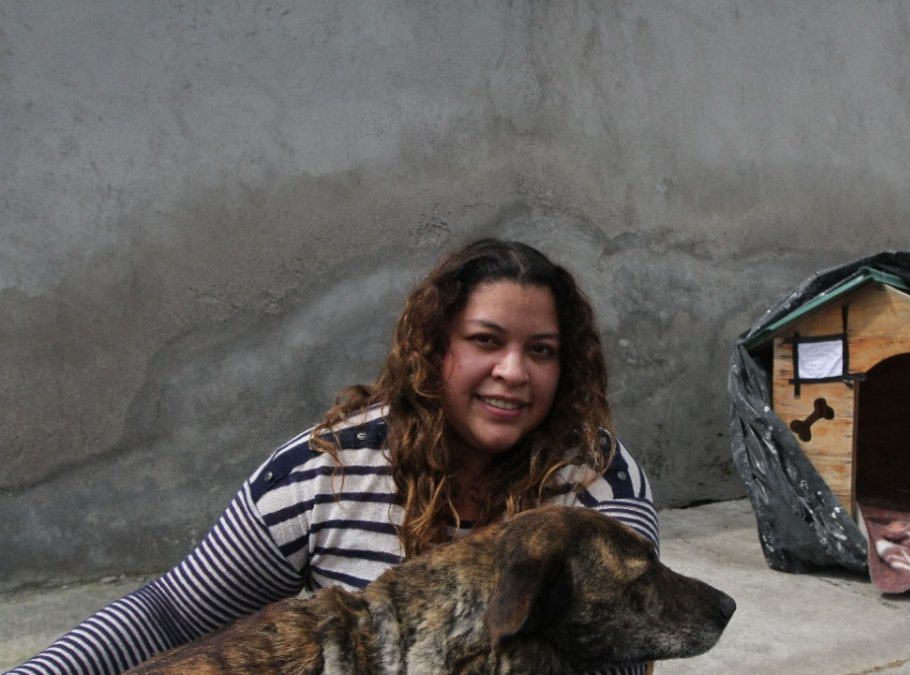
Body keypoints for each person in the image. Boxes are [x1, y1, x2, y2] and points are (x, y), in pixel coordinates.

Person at [11, 239, 657, 675]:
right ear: (433, 349)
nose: (513, 371)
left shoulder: (600, 485)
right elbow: (174, 611)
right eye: (486, 341)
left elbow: (626, 648)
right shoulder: (330, 471)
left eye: (541, 350)